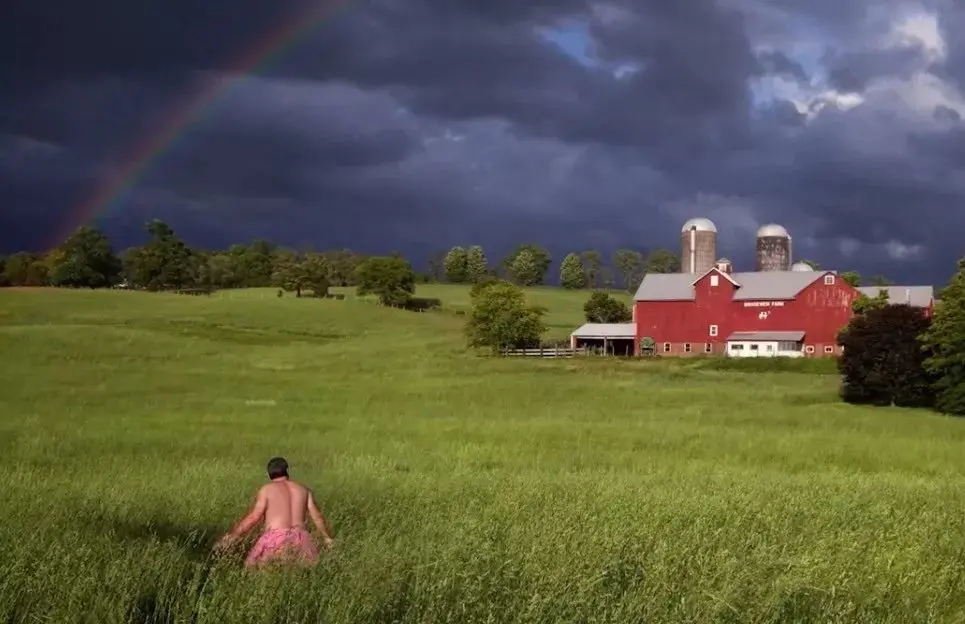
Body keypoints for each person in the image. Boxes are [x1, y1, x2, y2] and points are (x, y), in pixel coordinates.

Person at [215, 457, 335, 567]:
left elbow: (254, 517)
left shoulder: (267, 490)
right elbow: (317, 517)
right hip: (301, 538)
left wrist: (233, 536)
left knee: (252, 568)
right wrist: (327, 538)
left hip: (275, 539)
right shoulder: (303, 490)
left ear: (269, 474)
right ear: (286, 471)